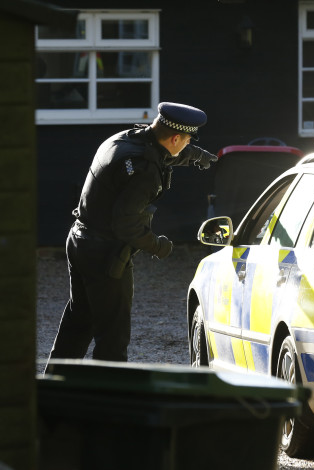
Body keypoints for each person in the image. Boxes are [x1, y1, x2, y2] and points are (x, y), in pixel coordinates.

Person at [46, 102, 218, 365]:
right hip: (105, 256)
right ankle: (111, 403)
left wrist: (195, 155)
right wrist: (157, 246)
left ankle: (53, 391)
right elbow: (126, 225)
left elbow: (164, 152)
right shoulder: (144, 172)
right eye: (184, 141)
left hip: (80, 240)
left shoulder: (124, 140)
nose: (183, 146)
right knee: (112, 338)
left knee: (79, 320)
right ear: (175, 137)